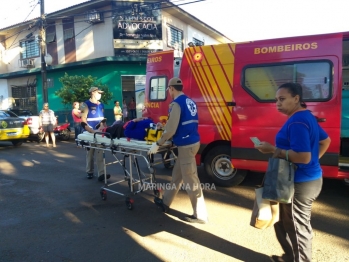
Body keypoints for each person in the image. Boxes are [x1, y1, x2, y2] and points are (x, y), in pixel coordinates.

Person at [254, 83, 331, 262]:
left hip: (300, 183)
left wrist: (273, 149)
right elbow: (325, 141)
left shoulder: (297, 121)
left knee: (298, 227)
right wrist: (313, 161)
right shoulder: (305, 116)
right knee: (282, 221)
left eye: (282, 99)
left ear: (296, 99)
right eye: (276, 100)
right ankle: (289, 256)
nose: (277, 103)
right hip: (299, 179)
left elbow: (303, 157)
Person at [149, 77, 208, 224]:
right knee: (177, 176)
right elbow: (182, 123)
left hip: (186, 145)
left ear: (171, 89)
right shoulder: (189, 101)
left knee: (191, 180)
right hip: (192, 142)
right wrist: (165, 127)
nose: (169, 92)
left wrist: (158, 142)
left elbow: (171, 129)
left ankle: (200, 215)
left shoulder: (176, 104)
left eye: (169, 89)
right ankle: (166, 203)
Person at [80, 87, 111, 181]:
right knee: (90, 153)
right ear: (92, 93)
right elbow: (83, 120)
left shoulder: (101, 105)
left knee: (100, 153)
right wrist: (91, 131)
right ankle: (89, 171)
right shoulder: (85, 104)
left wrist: (105, 128)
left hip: (100, 133)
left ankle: (101, 174)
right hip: (90, 133)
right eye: (98, 93)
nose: (100, 95)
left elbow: (102, 119)